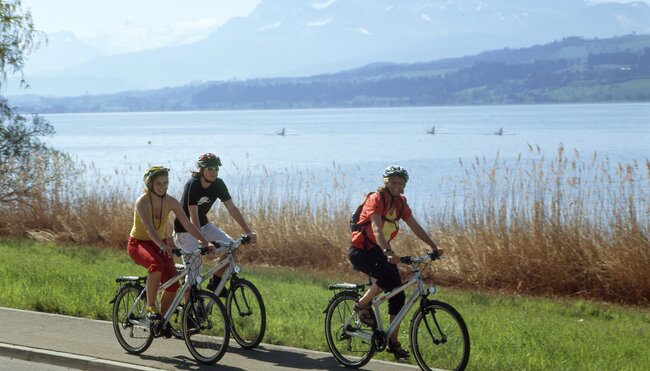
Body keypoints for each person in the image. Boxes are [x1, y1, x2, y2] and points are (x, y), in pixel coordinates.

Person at [348, 165, 443, 359]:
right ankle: (362, 304)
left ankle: (392, 341)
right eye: (393, 182)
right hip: (361, 251)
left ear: (404, 185)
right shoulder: (376, 199)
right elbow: (376, 228)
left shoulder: (401, 203)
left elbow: (415, 226)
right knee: (388, 276)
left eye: (400, 183)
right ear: (386, 182)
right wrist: (387, 251)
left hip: (380, 250)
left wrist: (434, 246)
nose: (396, 185)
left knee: (397, 294)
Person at [127, 166, 215, 338]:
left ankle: (162, 319)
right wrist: (161, 245)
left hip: (160, 244)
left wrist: (204, 242)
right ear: (150, 184)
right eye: (159, 183)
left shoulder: (171, 201)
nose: (163, 186)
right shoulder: (142, 201)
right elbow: (149, 228)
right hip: (138, 243)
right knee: (156, 265)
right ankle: (152, 307)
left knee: (174, 284)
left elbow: (188, 224)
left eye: (165, 183)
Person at [173, 153, 257, 296]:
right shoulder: (193, 184)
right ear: (201, 169)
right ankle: (189, 317)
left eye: (216, 169)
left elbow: (232, 208)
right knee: (193, 279)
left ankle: (216, 280)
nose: (214, 172)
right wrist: (203, 241)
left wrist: (248, 231)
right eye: (210, 168)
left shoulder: (218, 184)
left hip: (203, 226)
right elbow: (193, 215)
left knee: (233, 248)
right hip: (185, 231)